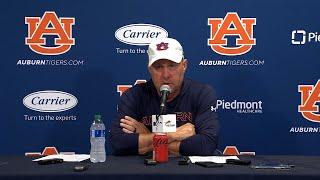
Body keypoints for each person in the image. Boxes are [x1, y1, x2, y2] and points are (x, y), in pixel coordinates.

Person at [110, 37, 219, 156]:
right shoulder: (134, 96)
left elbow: (206, 145)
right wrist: (173, 135)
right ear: (149, 69)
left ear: (184, 66)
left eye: (172, 66)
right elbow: (118, 143)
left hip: (189, 171)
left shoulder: (201, 93)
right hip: (146, 170)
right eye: (158, 67)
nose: (166, 75)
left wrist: (146, 137)